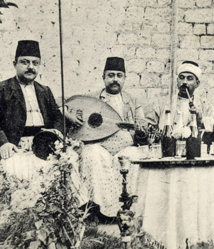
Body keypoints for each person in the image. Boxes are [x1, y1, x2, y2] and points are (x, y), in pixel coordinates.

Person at [64, 57, 148, 219]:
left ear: (124, 79)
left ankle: (127, 208)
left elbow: (142, 126)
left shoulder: (133, 102)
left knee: (135, 156)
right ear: (103, 77)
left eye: (119, 75)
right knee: (91, 153)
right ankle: (99, 210)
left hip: (125, 146)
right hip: (99, 145)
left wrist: (141, 131)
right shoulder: (92, 99)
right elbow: (66, 107)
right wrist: (69, 114)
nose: (114, 79)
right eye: (110, 75)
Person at [0, 40, 64, 174]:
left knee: (67, 165)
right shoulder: (3, 89)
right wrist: (4, 143)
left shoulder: (45, 91)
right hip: (15, 146)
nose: (30, 67)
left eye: (35, 63)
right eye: (25, 62)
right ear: (14, 64)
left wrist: (57, 131)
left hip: (44, 145)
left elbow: (58, 116)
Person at [147, 61, 214, 136]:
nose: (184, 82)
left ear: (197, 83)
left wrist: (200, 118)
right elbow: (149, 126)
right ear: (177, 81)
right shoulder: (162, 103)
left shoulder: (205, 106)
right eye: (181, 78)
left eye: (189, 78)